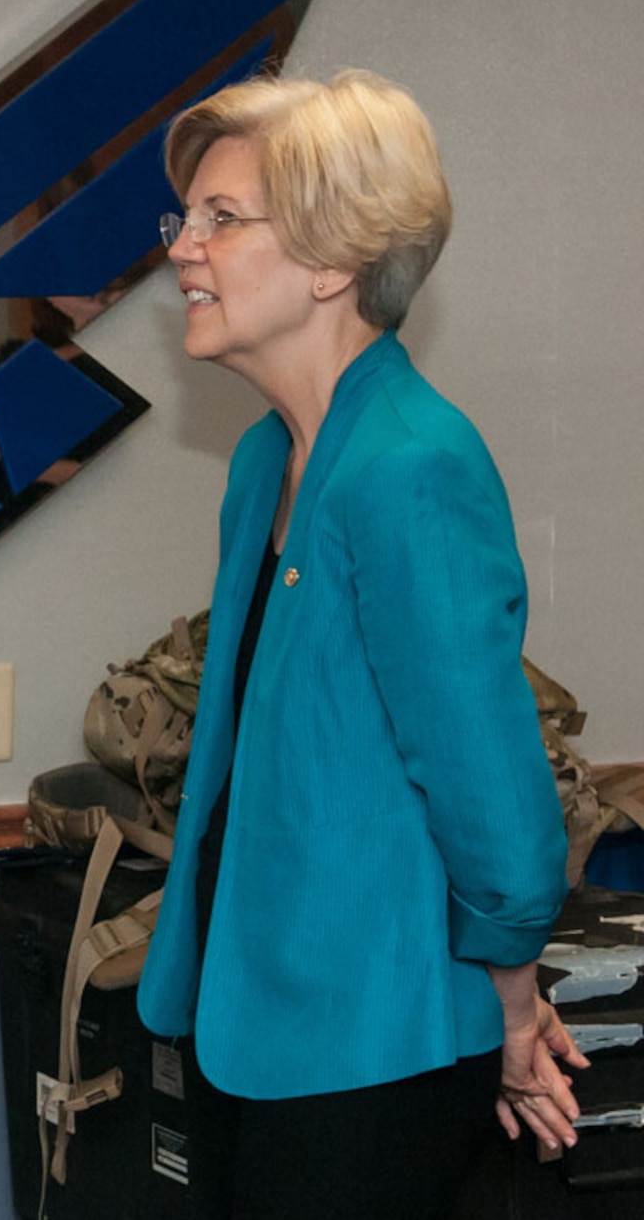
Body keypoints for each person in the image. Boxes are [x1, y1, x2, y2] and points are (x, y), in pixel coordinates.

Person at [134, 70, 582, 1218]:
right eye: (182, 218)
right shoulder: (261, 465)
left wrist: (513, 998)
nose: (182, 248)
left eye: (219, 219)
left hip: (371, 1042)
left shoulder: (406, 466)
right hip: (253, 1015)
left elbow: (490, 791)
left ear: (334, 258)